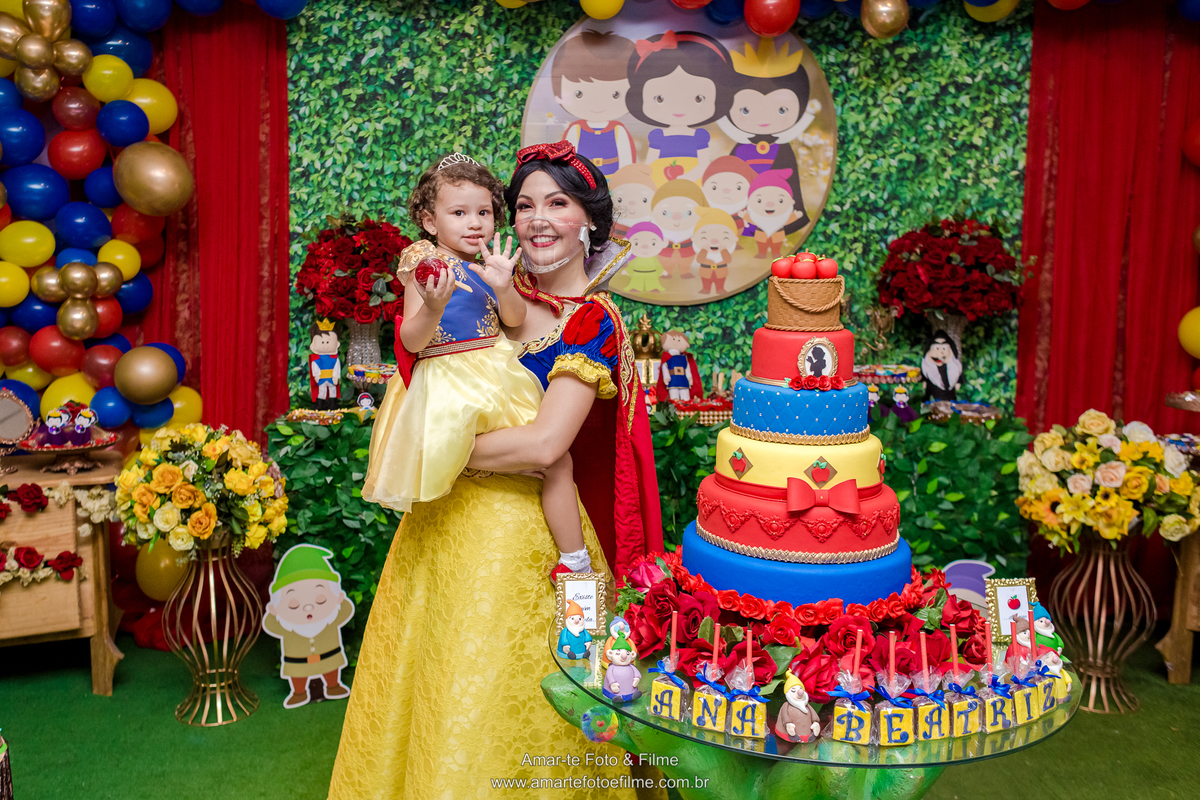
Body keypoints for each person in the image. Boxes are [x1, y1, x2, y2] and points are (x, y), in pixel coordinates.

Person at [329, 141, 664, 799]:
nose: (538, 218)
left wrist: (427, 456)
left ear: (588, 220)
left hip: (528, 536)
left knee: (518, 688)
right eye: (527, 204)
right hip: (441, 532)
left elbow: (544, 448)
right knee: (436, 684)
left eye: (559, 203)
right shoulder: (490, 289)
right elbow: (418, 351)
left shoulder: (590, 320)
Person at [362, 153, 594, 579]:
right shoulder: (426, 264)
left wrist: (503, 286)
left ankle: (573, 559)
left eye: (484, 212)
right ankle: (573, 561)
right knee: (529, 460)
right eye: (459, 213)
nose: (475, 223)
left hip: (496, 373)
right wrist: (431, 308)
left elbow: (514, 320)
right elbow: (411, 340)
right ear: (430, 222)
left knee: (554, 460)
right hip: (450, 380)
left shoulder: (490, 266)